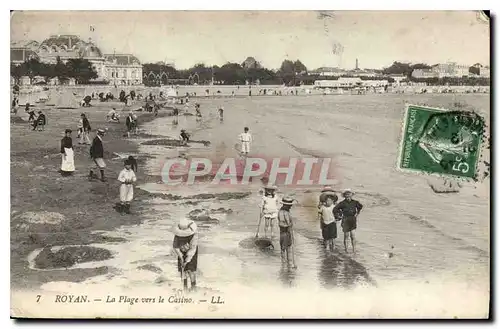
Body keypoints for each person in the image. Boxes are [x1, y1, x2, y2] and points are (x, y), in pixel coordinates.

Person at [173, 218, 199, 292]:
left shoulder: (194, 235)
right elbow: (175, 246)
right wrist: (181, 257)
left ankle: (193, 287)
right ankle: (185, 288)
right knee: (182, 269)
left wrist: (187, 260)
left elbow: (192, 249)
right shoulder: (177, 234)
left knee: (191, 270)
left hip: (191, 252)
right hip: (181, 250)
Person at [278, 196, 297, 269]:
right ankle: (286, 264)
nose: (291, 207)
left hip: (285, 232)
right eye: (289, 205)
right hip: (285, 232)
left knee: (287, 248)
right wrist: (289, 226)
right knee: (285, 249)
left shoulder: (284, 211)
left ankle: (287, 263)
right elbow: (284, 224)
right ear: (285, 205)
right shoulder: (283, 212)